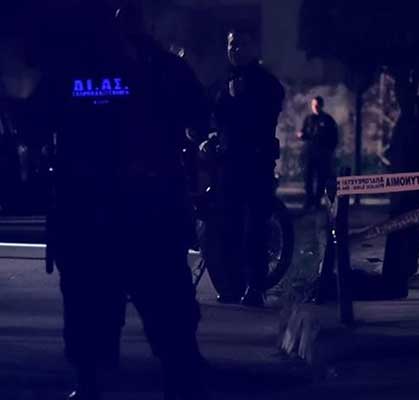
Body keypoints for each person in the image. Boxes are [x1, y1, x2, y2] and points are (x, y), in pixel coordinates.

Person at [26, 2, 210, 399]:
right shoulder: (163, 68)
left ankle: (99, 383)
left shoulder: (75, 66)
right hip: (139, 218)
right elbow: (200, 120)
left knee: (104, 323)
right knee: (164, 326)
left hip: (99, 218)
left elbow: (33, 126)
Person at [212, 28, 285, 307]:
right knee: (227, 225)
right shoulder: (224, 81)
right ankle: (232, 285)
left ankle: (255, 287)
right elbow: (216, 118)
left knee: (255, 226)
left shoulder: (266, 83)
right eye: (232, 44)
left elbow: (265, 118)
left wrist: (242, 98)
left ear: (253, 48)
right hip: (228, 163)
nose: (236, 50)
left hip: (256, 163)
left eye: (242, 44)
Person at [297, 96, 338, 210]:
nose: (315, 107)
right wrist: (301, 135)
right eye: (313, 105)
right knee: (308, 177)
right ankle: (309, 200)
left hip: (322, 153)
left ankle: (317, 201)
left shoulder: (327, 120)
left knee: (321, 178)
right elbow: (304, 132)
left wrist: (329, 151)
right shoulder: (308, 119)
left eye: (317, 105)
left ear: (321, 105)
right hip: (309, 152)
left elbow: (333, 136)